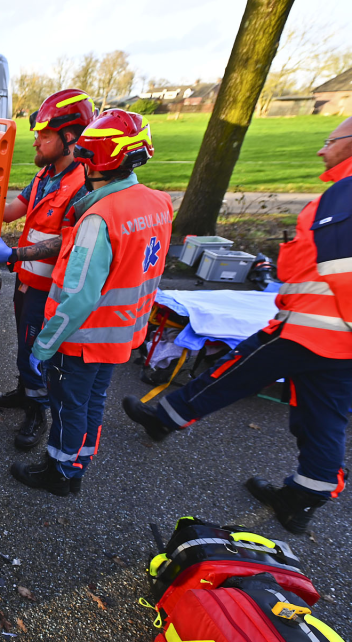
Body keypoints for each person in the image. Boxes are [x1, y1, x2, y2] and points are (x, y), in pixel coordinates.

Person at [122, 116, 352, 534]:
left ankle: (164, 418)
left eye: (329, 140)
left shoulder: (346, 191)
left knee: (230, 372)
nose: (322, 149)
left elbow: (342, 268)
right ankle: (302, 499)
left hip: (310, 328)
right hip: (338, 342)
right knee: (324, 416)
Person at [11, 109, 171, 497]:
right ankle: (78, 464)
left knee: (68, 406)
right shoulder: (158, 203)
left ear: (94, 160)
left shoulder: (99, 218)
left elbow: (78, 296)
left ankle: (59, 472)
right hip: (122, 333)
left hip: (83, 339)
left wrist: (44, 345)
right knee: (92, 404)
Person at [0, 89, 95, 449]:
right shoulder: (46, 176)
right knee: (24, 347)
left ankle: (37, 412)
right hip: (28, 282)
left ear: (69, 138)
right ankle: (24, 393)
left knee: (35, 354)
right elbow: (11, 211)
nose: (36, 140)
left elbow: (68, 241)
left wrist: (14, 254)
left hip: (49, 288)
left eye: (45, 135)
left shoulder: (82, 185)